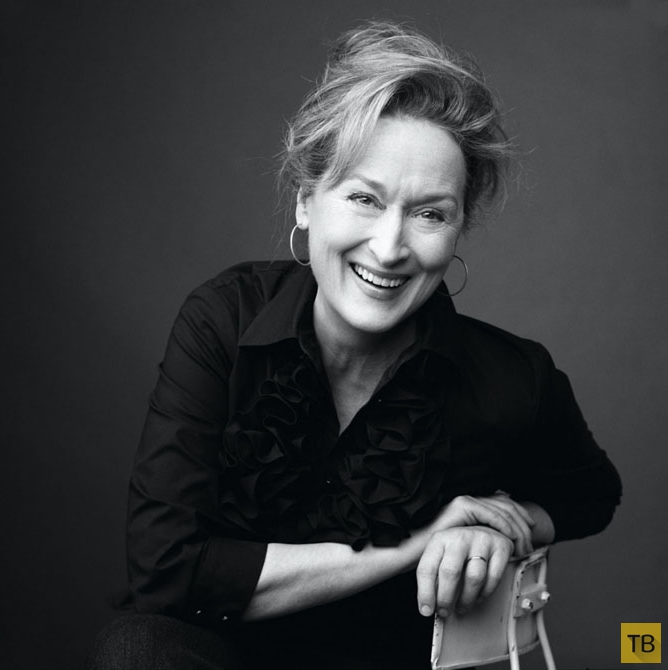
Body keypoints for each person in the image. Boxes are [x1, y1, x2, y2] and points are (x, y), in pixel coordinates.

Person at [87, 21, 622, 670]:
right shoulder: (224, 320)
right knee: (137, 649)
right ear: (306, 201)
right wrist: (417, 543)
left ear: (458, 229)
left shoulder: (510, 377)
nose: (390, 247)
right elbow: (166, 573)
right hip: (209, 657)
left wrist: (500, 524)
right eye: (365, 198)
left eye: (430, 213)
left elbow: (592, 495)